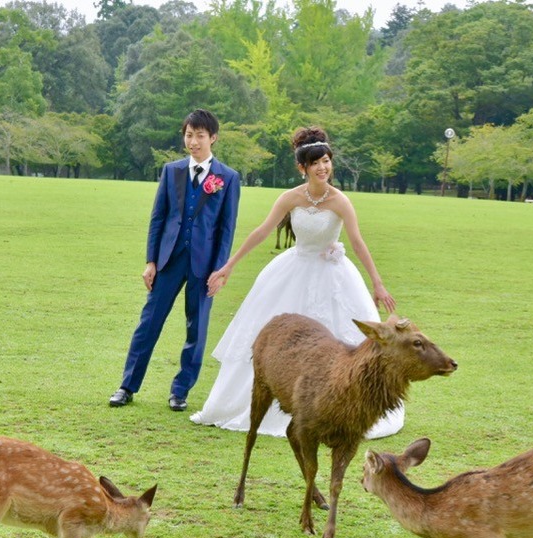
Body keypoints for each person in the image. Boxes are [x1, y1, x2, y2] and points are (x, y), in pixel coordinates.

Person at [190, 126, 403, 439]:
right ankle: (258, 404)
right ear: (303, 167)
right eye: (316, 163)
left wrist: (378, 283)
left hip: (333, 275)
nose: (323, 168)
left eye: (327, 161)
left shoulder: (340, 201)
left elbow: (357, 242)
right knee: (274, 339)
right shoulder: (290, 198)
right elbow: (262, 232)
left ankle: (335, 406)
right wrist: (228, 267)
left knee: (339, 338)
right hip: (292, 271)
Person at [109, 109, 241, 412]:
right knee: (148, 323)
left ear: (213, 138)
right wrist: (150, 261)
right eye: (188, 135)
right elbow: (158, 218)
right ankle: (127, 386)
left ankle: (180, 391)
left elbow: (226, 228)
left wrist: (219, 271)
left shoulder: (228, 178)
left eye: (199, 135)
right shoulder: (172, 171)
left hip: (205, 266)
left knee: (197, 329)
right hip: (168, 260)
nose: (193, 141)